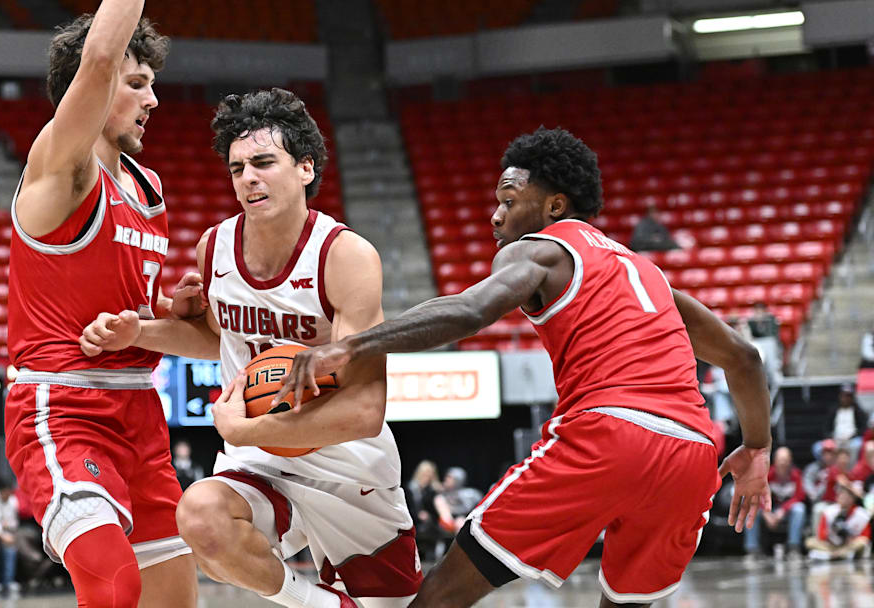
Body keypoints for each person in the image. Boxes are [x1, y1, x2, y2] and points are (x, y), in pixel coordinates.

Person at [276, 127, 772, 607]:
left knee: (442, 596)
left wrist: (352, 346)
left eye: (509, 202)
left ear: (554, 206)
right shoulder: (648, 273)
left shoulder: (541, 251)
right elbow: (744, 357)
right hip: (692, 454)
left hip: (610, 432)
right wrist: (756, 449)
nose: (495, 217)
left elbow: (469, 311)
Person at [79, 88, 421, 607]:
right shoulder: (214, 247)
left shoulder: (345, 255)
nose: (248, 179)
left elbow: (367, 410)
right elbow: (216, 338)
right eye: (237, 168)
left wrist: (248, 427)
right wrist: (139, 334)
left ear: (306, 168)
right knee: (200, 516)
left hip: (347, 468)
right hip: (260, 464)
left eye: (263, 162)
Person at [2, 2, 198, 606]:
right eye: (138, 85)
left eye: (153, 85)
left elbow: (131, 302)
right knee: (115, 584)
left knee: (173, 598)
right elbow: (100, 56)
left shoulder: (148, 186)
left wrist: (174, 309)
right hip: (64, 406)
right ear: (95, 89)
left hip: (141, 413)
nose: (153, 100)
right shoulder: (64, 168)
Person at [744, 447, 805, 561]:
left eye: (785, 460)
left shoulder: (796, 475)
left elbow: (799, 496)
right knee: (750, 511)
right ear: (775, 461)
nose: (783, 463)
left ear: (790, 461)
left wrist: (783, 510)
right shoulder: (767, 474)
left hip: (787, 510)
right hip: (769, 509)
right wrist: (767, 513)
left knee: (800, 509)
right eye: (780, 460)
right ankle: (752, 550)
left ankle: (793, 548)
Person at [806, 478, 871, 560]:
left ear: (852, 499)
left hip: (849, 545)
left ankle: (835, 555)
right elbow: (821, 536)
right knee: (810, 542)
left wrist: (851, 538)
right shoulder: (829, 512)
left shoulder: (862, 514)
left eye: (846, 496)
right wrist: (831, 535)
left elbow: (865, 537)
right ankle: (838, 555)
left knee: (862, 542)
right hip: (831, 545)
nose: (843, 498)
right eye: (840, 495)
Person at [825, 384, 866, 458]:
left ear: (852, 397)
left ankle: (852, 468)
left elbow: (863, 429)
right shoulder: (833, 410)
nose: (845, 398)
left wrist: (851, 437)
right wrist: (832, 437)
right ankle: (830, 469)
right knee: (817, 447)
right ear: (840, 396)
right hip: (835, 439)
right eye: (843, 396)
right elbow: (826, 428)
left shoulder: (858, 411)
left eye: (848, 396)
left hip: (852, 440)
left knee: (857, 445)